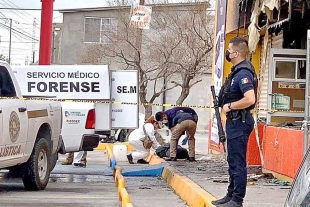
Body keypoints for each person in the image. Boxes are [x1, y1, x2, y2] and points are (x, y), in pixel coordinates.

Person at [211, 37, 257, 207]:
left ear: (236, 53)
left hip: (240, 121)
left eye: (229, 50)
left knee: (237, 162)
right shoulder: (237, 72)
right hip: (235, 121)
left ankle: (237, 200)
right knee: (232, 161)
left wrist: (229, 106)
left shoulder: (244, 73)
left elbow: (250, 98)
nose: (228, 53)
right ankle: (230, 195)